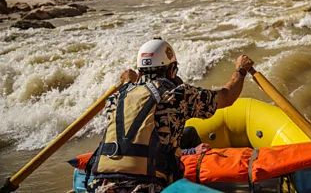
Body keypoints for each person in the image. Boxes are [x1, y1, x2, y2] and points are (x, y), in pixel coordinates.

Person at [88, 37, 254, 193]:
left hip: (100, 185)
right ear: (172, 69)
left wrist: (128, 81)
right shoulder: (178, 95)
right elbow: (227, 97)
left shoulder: (116, 97)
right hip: (147, 187)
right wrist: (241, 69)